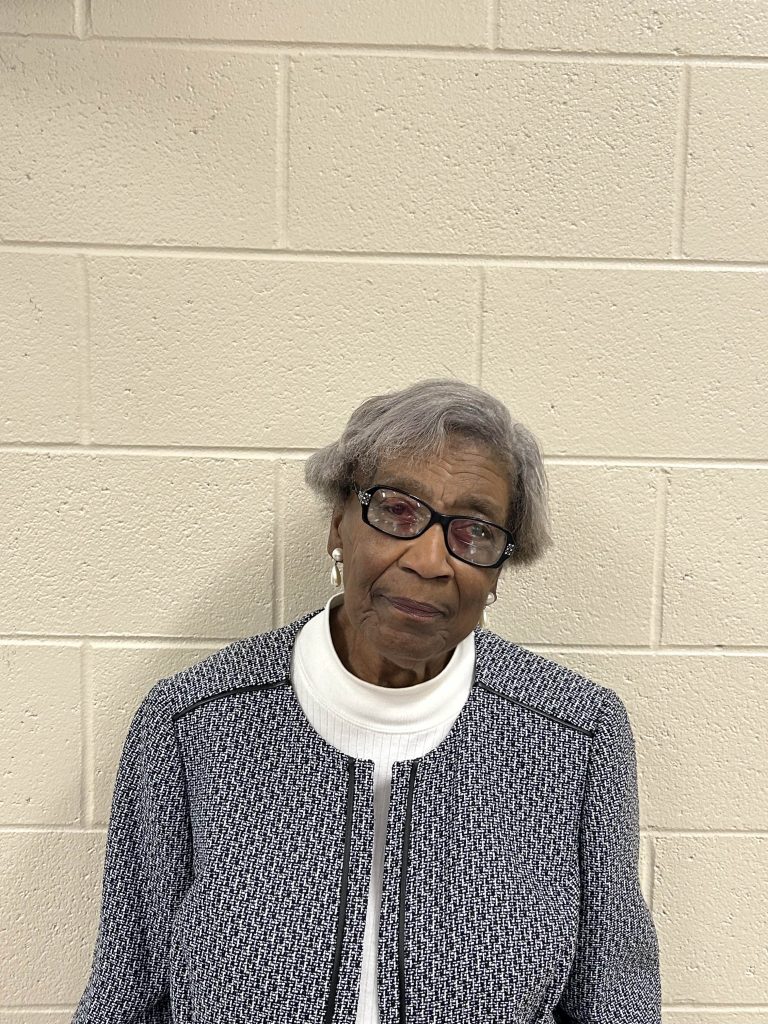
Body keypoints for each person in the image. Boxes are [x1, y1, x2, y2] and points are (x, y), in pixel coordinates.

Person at [72, 378, 662, 1023]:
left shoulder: (575, 736)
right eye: (399, 512)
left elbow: (616, 1003)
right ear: (337, 524)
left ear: (497, 570)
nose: (431, 559)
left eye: (473, 532)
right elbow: (125, 997)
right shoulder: (192, 724)